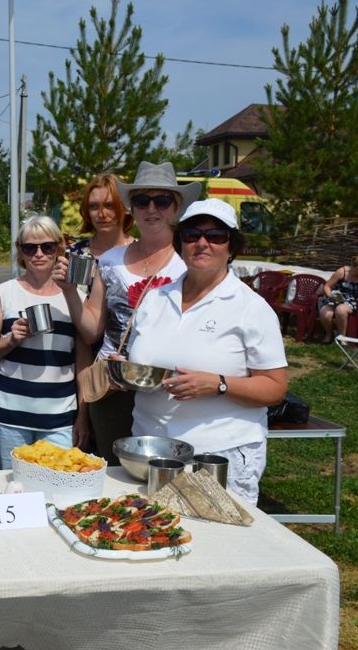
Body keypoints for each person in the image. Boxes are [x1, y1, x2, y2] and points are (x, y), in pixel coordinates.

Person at [125, 199, 288, 504]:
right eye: (191, 235)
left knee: (219, 547)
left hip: (216, 456)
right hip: (150, 452)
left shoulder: (250, 307)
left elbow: (275, 387)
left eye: (215, 235)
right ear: (180, 243)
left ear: (231, 246)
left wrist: (218, 384)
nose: (202, 243)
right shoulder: (156, 297)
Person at [56, 161, 198, 464]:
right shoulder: (110, 261)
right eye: (141, 200)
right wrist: (69, 291)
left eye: (161, 200)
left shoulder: (189, 261)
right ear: (131, 207)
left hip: (170, 388)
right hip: (114, 387)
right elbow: (92, 329)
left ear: (176, 207)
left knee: (167, 472)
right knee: (117, 475)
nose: (151, 209)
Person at [0, 216, 90, 469]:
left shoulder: (75, 296)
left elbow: (83, 363)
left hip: (59, 419)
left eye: (47, 247)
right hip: (9, 417)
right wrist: (11, 341)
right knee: (15, 491)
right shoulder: (3, 292)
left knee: (57, 492)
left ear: (59, 249)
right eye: (30, 248)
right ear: (21, 251)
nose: (38, 254)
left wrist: (83, 416)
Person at [67, 173, 135, 259]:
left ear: (126, 207)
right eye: (93, 206)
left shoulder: (144, 253)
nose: (101, 214)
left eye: (109, 205)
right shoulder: (73, 255)